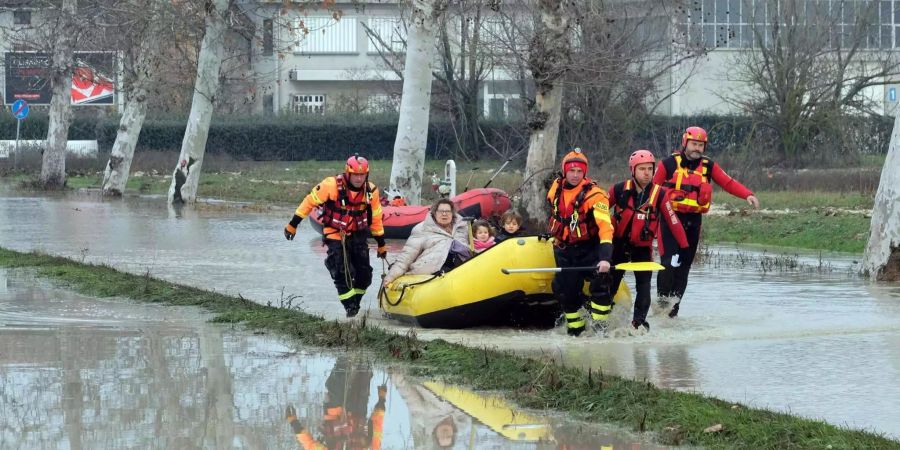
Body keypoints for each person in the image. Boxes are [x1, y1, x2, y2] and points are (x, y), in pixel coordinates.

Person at [653, 126, 760, 317]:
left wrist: (747, 195)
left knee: (683, 268)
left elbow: (728, 183)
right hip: (669, 219)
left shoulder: (709, 166)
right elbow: (652, 191)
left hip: (693, 221)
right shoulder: (668, 164)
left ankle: (673, 311)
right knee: (668, 264)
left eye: (701, 145)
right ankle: (661, 304)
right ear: (685, 143)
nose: (697, 149)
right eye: (694, 144)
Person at [597, 149, 690, 332]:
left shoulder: (660, 194)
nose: (647, 173)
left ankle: (638, 323)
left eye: (650, 169)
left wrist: (684, 247)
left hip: (642, 248)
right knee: (610, 284)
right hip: (618, 245)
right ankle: (602, 323)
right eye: (642, 169)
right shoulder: (618, 189)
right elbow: (600, 213)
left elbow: (673, 221)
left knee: (644, 288)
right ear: (633, 170)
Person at [283, 155, 387, 318]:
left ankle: (355, 302)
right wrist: (293, 224)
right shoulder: (330, 185)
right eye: (355, 175)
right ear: (348, 173)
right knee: (340, 270)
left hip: (358, 234)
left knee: (364, 274)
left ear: (367, 174)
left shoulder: (371, 191)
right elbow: (309, 202)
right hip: (335, 232)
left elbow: (376, 219)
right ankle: (349, 307)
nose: (359, 178)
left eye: (362, 175)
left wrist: (381, 244)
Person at [546, 149, 615, 337]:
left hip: (589, 249)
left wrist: (605, 259)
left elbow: (605, 228)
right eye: (571, 171)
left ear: (585, 172)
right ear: (564, 171)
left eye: (579, 171)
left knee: (600, 285)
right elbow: (555, 215)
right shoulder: (555, 189)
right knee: (566, 292)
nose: (575, 175)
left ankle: (601, 330)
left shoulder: (596, 196)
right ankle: (576, 333)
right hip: (564, 250)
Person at [285, 356, 386, 450]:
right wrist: (381, 401)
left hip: (334, 415)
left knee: (337, 382)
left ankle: (343, 350)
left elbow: (311, 445)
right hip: (358, 414)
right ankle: (366, 354)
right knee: (364, 375)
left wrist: (294, 423)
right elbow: (376, 431)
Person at [382, 199, 470, 285]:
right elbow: (406, 256)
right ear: (434, 213)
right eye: (441, 211)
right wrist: (391, 276)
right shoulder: (422, 229)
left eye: (447, 211)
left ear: (452, 214)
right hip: (431, 274)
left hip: (459, 271)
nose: (444, 214)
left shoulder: (462, 228)